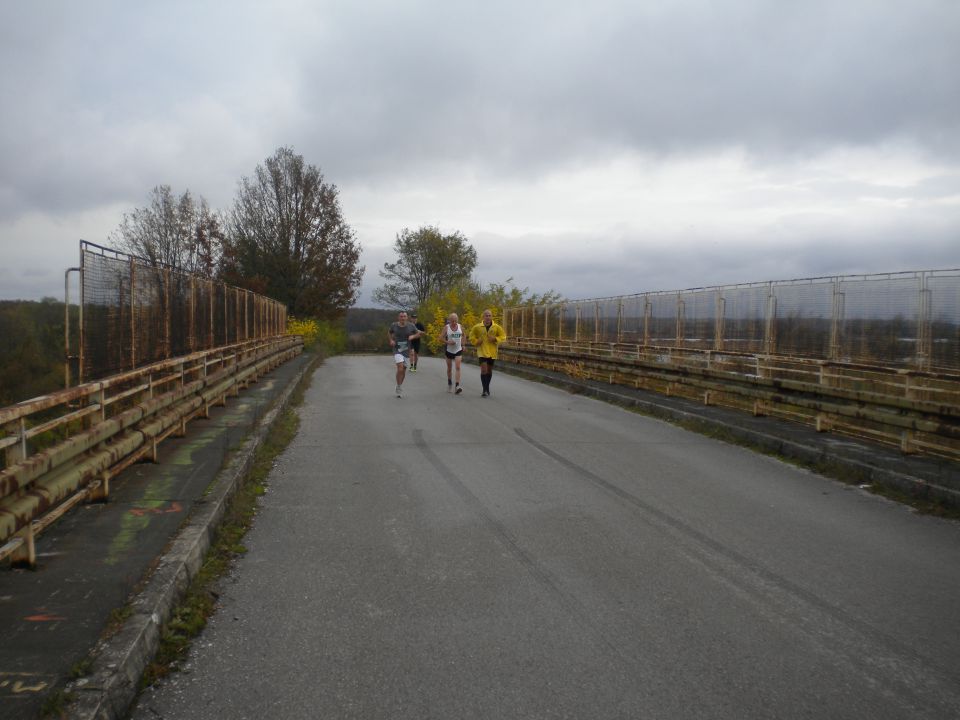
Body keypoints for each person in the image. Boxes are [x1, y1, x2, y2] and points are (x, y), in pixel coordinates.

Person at [468, 309, 507, 397]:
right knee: (484, 370)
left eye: (489, 315)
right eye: (486, 315)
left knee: (489, 370)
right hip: (482, 351)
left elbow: (503, 336)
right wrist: (477, 341)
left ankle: (487, 388)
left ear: (491, 317)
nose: (488, 317)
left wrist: (495, 339)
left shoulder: (496, 327)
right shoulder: (477, 327)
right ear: (483, 317)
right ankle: (484, 390)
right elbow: (471, 337)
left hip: (492, 352)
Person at [388, 311, 423, 397]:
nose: (403, 318)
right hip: (397, 350)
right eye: (401, 316)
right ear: (398, 318)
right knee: (400, 368)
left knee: (403, 370)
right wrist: (391, 340)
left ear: (407, 318)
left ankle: (399, 385)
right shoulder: (394, 325)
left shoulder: (411, 326)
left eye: (404, 316)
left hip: (406, 350)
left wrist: (413, 336)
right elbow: (389, 332)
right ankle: (398, 385)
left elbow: (419, 333)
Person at [438, 312, 466, 394]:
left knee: (458, 367)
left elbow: (464, 335)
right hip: (449, 350)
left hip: (458, 350)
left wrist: (463, 345)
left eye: (455, 321)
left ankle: (457, 386)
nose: (454, 323)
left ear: (457, 320)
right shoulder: (446, 327)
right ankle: (449, 383)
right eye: (452, 321)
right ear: (449, 320)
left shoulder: (460, 326)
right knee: (449, 368)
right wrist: (447, 342)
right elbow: (440, 338)